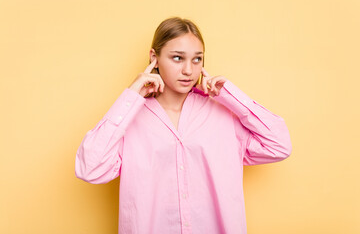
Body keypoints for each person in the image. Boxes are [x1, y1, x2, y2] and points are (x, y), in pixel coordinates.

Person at [75, 16, 292, 234]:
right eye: (177, 58)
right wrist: (131, 96)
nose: (189, 70)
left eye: (197, 59)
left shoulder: (223, 114)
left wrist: (231, 95)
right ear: (154, 58)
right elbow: (90, 169)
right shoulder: (131, 119)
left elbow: (279, 145)